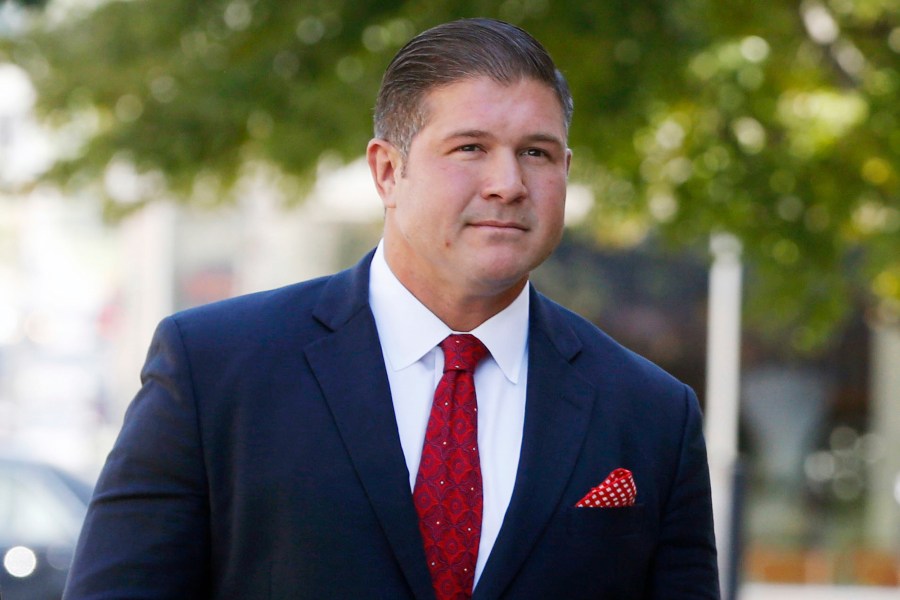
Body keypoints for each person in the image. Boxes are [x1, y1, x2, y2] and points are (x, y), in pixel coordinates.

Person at [64, 18, 719, 600]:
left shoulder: (651, 413)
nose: (509, 183)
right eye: (470, 148)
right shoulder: (214, 371)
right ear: (386, 172)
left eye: (536, 153)